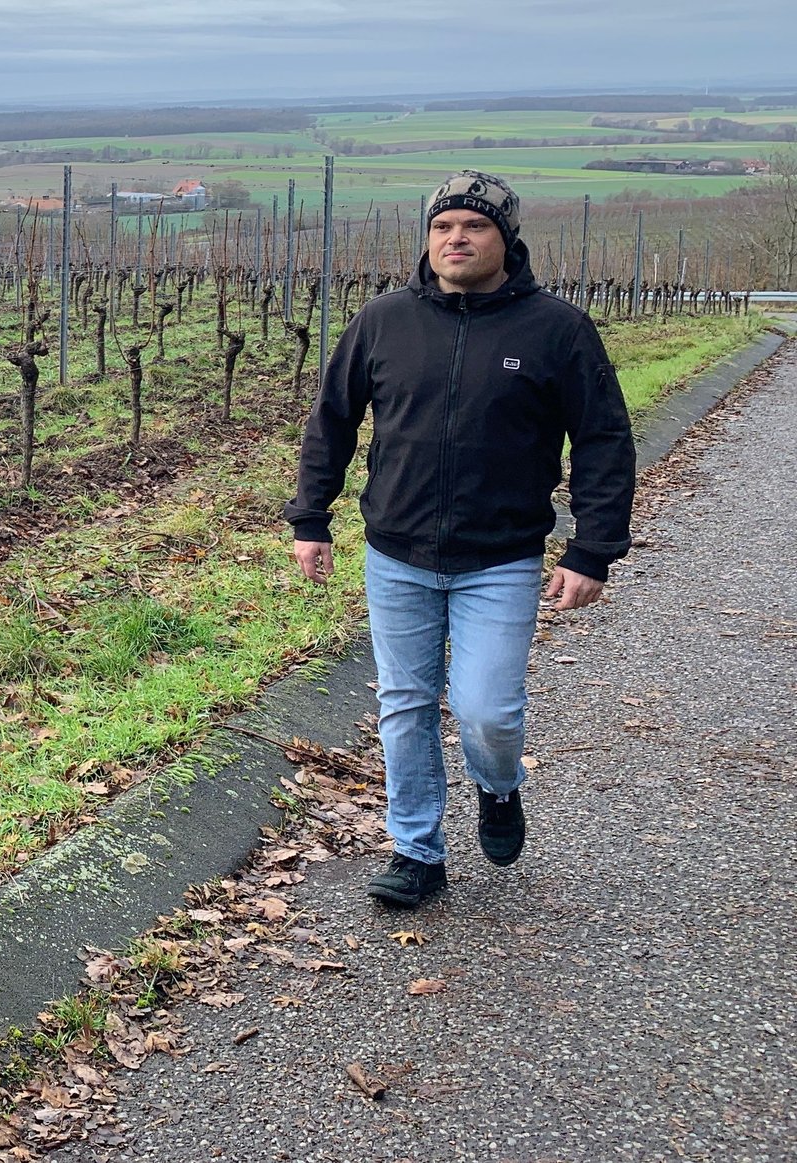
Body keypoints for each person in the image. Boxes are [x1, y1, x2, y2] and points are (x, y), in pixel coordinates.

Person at [284, 170, 635, 908]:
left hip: (500, 558)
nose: (456, 238)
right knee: (405, 703)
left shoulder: (557, 329)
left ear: (504, 238)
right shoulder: (384, 321)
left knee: (487, 710)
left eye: (473, 227)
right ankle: (417, 850)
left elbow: (603, 439)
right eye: (443, 226)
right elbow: (332, 421)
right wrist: (310, 517)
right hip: (396, 553)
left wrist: (590, 548)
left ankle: (498, 785)